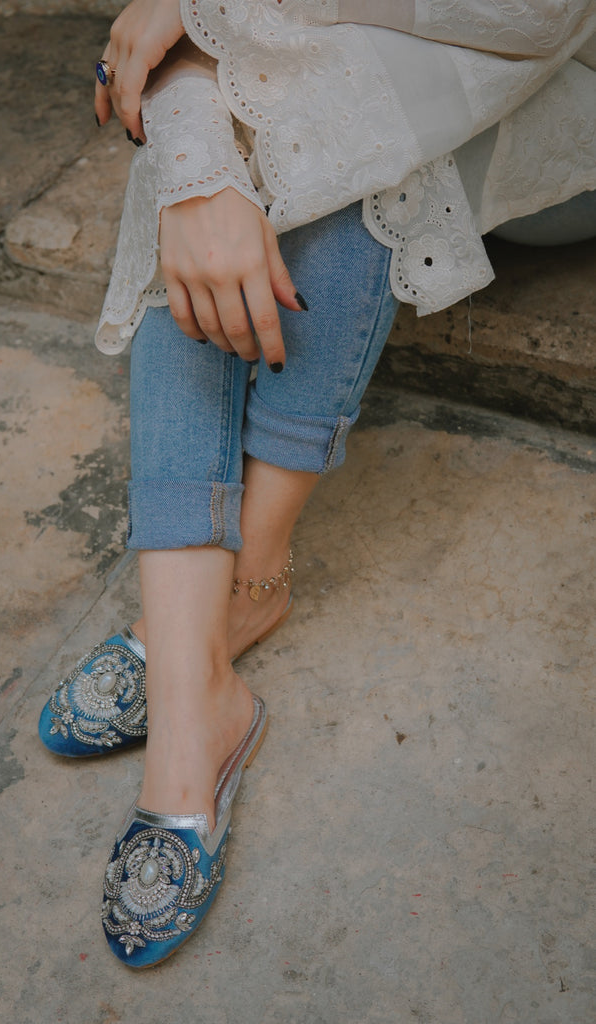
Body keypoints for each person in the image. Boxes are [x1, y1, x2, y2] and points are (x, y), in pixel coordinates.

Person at [39, 0, 596, 968]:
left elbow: (532, 20)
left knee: (344, 128)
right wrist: (193, 144)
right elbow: (180, 51)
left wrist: (207, 15)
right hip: (331, 65)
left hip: (540, 102)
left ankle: (239, 595)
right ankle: (193, 690)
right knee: (210, 161)